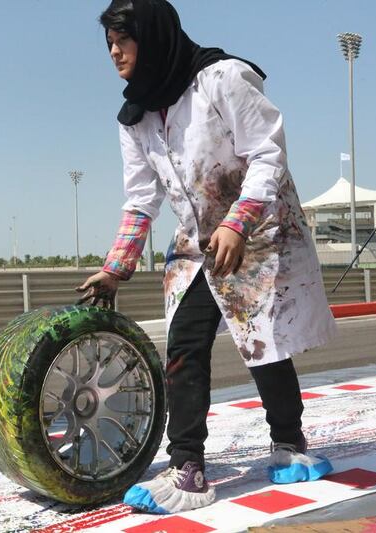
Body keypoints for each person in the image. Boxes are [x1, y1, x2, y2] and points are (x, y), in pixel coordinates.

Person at [76, 0, 337, 514]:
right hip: (199, 245)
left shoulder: (223, 79)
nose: (114, 52)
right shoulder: (136, 116)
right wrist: (116, 266)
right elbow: (141, 197)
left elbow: (267, 154)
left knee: (263, 342)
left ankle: (289, 444)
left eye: (122, 40)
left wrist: (239, 224)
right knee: (184, 344)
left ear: (152, 37)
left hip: (258, 231)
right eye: (108, 43)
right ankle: (189, 468)